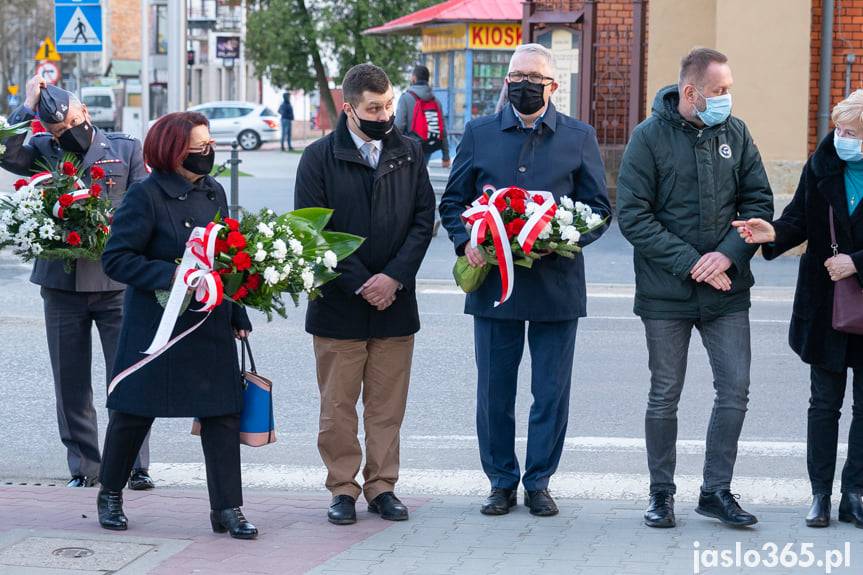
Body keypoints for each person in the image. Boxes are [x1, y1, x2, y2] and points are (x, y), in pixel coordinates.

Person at [439, 44, 611, 517]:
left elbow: (600, 209)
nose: (523, 84)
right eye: (516, 76)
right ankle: (500, 481)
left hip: (556, 284)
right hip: (495, 285)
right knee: (495, 390)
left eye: (533, 77)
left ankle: (539, 482)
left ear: (552, 86)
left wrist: (563, 236)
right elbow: (453, 203)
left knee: (550, 391)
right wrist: (465, 240)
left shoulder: (579, 136)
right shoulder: (479, 133)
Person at [616, 48, 774, 529]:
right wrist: (694, 264)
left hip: (728, 289)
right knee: (665, 394)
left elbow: (758, 199)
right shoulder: (647, 138)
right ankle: (661, 494)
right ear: (691, 92)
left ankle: (715, 491)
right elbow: (633, 217)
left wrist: (726, 254)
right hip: (666, 294)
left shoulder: (737, 132)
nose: (728, 98)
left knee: (735, 391)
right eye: (720, 90)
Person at [96, 112, 257, 539]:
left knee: (222, 413)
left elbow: (226, 259)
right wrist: (172, 276)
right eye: (199, 147)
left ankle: (227, 508)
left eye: (209, 144)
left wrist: (237, 311)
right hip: (157, 326)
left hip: (208, 323)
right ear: (173, 151)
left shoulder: (213, 191)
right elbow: (116, 258)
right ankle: (110, 493)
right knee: (132, 413)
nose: (208, 153)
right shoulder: (145, 197)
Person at [294, 63, 435, 526]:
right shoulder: (318, 157)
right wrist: (362, 281)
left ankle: (382, 487)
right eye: (374, 107)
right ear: (349, 108)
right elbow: (314, 230)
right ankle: (342, 488)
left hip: (396, 303)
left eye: (389, 104)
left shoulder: (410, 152)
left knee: (386, 406)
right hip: (339, 304)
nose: (385, 113)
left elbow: (422, 221)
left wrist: (393, 277)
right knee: (337, 408)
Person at [0, 76, 153, 490]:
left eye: (69, 124)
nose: (65, 134)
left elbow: (144, 207)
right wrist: (27, 104)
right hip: (62, 284)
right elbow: (4, 150)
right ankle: (85, 466)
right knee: (71, 383)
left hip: (116, 283)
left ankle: (135, 465)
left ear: (83, 111)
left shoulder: (124, 148)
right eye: (56, 131)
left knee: (127, 376)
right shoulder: (42, 151)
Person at [732, 89, 863, 529]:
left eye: (853, 132)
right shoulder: (823, 163)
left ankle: (855, 493)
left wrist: (857, 263)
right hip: (824, 302)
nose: (842, 138)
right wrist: (771, 233)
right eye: (840, 129)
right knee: (824, 403)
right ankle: (820, 495)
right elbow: (798, 220)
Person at [394, 64, 451, 169]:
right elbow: (442, 130)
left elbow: (398, 126)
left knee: (407, 180)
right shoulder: (435, 101)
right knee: (421, 175)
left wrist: (392, 149)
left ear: (414, 78)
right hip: (428, 146)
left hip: (410, 148)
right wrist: (446, 156)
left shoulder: (406, 98)